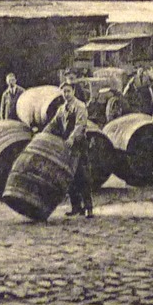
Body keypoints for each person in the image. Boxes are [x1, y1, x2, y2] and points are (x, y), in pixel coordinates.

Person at [44, 82, 96, 217]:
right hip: (67, 146)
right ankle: (76, 207)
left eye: (68, 91)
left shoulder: (80, 106)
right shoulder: (61, 109)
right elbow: (53, 124)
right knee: (69, 176)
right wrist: (43, 134)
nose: (66, 94)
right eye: (64, 92)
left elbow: (80, 125)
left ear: (73, 91)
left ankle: (89, 208)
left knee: (83, 176)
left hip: (79, 144)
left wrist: (72, 138)